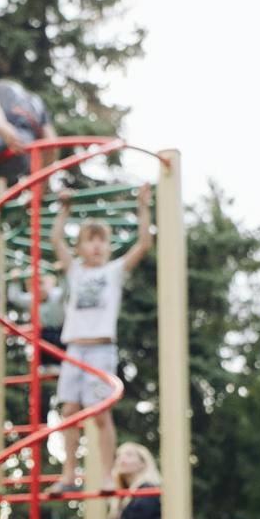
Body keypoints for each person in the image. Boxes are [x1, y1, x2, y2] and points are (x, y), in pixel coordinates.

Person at [48, 186, 155, 495]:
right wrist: (64, 211)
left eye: (102, 241)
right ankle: (68, 475)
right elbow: (56, 240)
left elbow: (144, 243)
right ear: (80, 247)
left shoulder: (113, 272)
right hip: (74, 350)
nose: (96, 247)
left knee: (99, 413)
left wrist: (143, 206)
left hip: (100, 349)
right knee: (69, 410)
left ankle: (107, 475)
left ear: (108, 247)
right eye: (89, 241)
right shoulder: (75, 271)